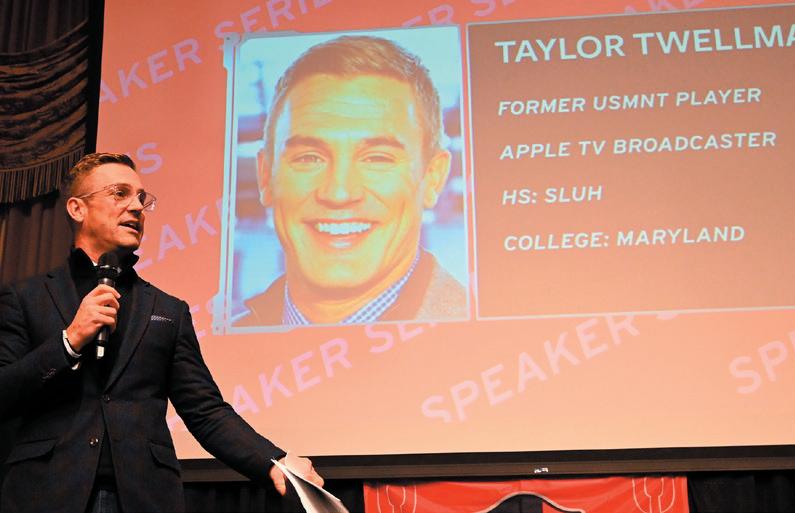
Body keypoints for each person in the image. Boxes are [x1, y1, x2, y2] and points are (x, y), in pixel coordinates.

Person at [0, 153, 322, 513]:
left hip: (143, 497)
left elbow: (204, 409)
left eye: (141, 198)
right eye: (119, 193)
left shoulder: (168, 310)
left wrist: (274, 461)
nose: (137, 207)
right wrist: (69, 342)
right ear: (77, 209)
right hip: (46, 494)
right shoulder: (25, 298)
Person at [236, 35, 467, 327]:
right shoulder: (204, 343)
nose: (339, 192)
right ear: (265, 176)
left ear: (433, 178)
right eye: (309, 158)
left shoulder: (487, 343)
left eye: (377, 158)